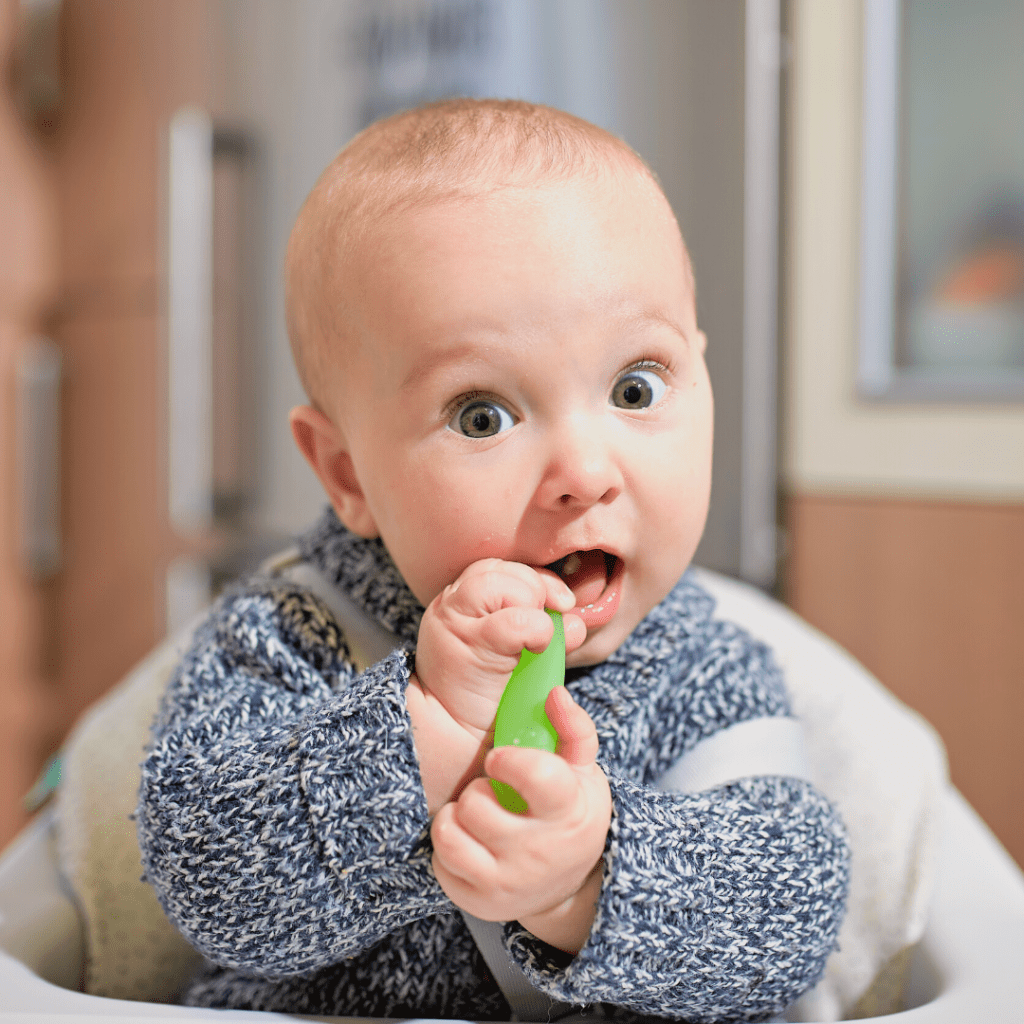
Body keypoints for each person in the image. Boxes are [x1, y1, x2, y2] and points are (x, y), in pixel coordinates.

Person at [136, 98, 849, 1022]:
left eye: (635, 387)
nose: (586, 473)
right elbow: (205, 878)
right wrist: (421, 736)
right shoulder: (287, 636)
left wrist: (587, 880)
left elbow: (790, 909)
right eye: (483, 416)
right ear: (347, 473)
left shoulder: (704, 666)